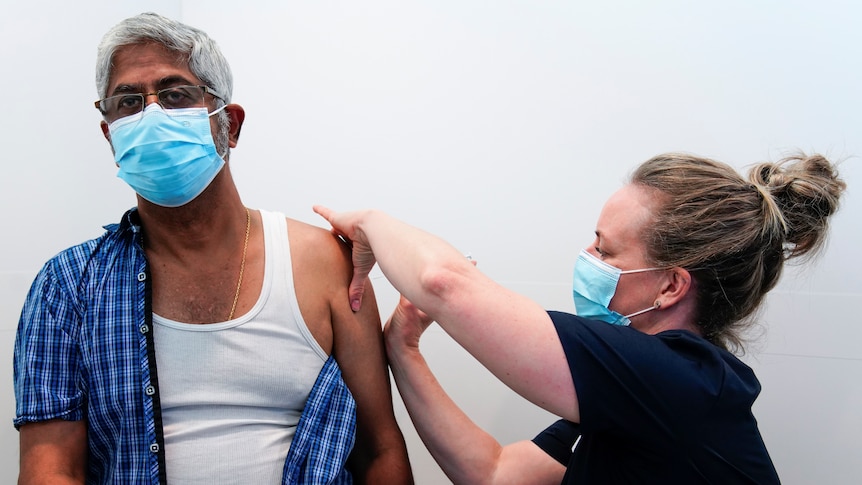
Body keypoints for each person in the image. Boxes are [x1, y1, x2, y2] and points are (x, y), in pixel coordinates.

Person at [13, 12, 412, 485]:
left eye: (176, 94)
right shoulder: (68, 287)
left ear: (231, 125)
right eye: (128, 102)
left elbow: (379, 451)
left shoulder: (324, 263)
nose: (152, 114)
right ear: (110, 136)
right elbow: (52, 470)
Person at [314, 151, 846, 484]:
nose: (587, 259)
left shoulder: (679, 383)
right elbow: (497, 474)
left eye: (605, 249)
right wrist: (404, 350)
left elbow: (444, 283)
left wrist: (368, 223)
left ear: (670, 286)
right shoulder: (643, 391)